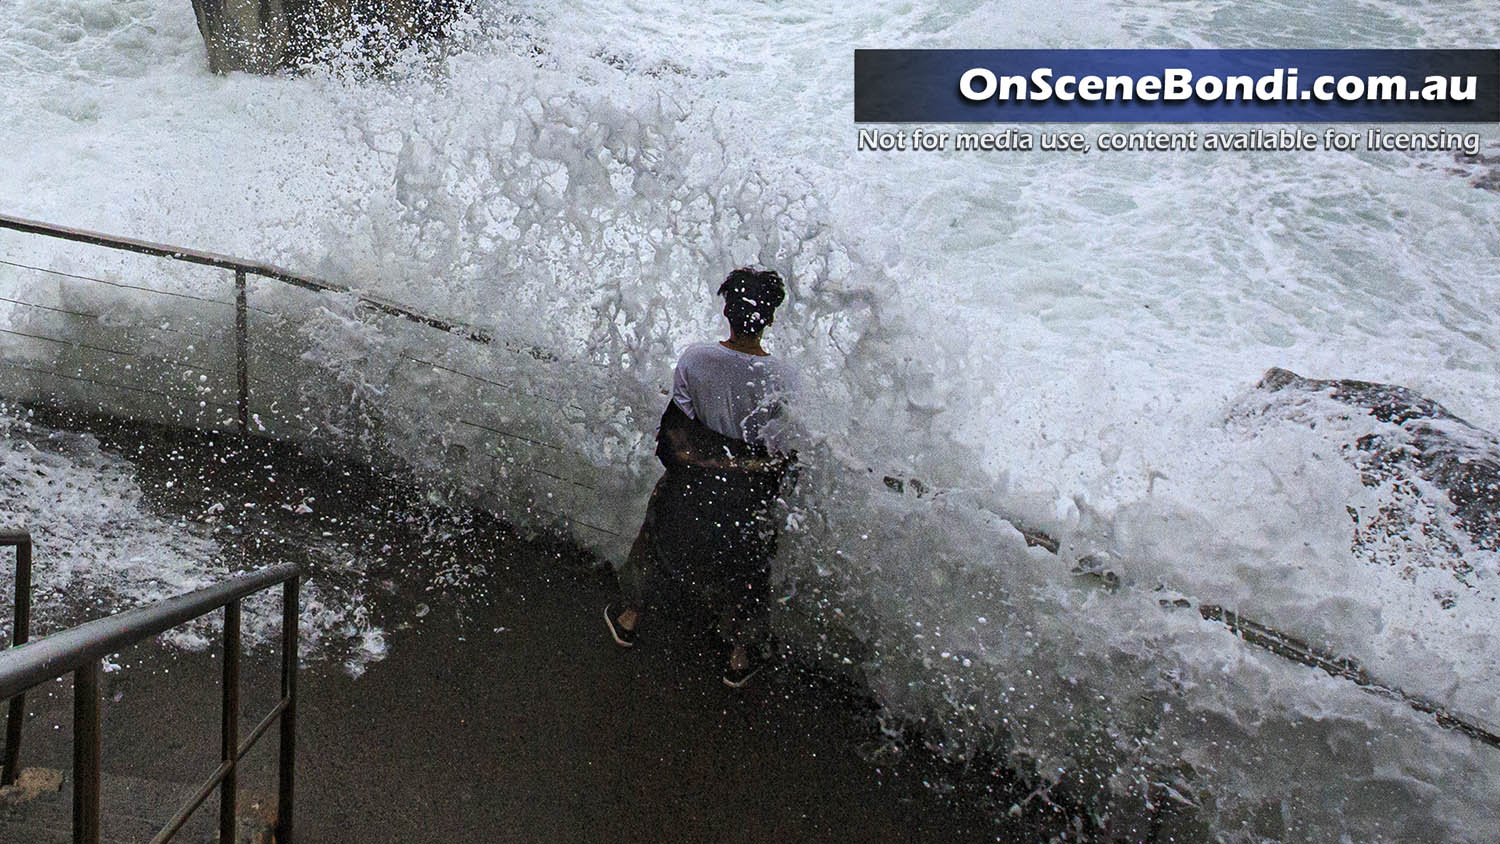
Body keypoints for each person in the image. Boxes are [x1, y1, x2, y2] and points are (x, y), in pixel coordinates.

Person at [605, 267, 799, 687]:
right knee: (751, 564)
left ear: (727, 310)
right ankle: (739, 654)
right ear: (768, 318)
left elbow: (682, 422)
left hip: (693, 491)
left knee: (656, 534)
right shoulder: (785, 377)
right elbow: (782, 443)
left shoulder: (696, 358)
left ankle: (630, 616)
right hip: (746, 499)